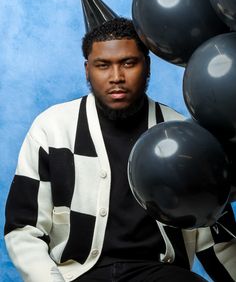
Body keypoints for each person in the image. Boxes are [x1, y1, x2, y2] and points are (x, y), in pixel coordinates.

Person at [4, 17, 236, 282]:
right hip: (78, 275)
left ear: (147, 67)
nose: (116, 77)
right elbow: (23, 230)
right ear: (87, 70)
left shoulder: (183, 134)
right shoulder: (52, 128)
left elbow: (216, 238)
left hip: (160, 274)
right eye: (103, 65)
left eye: (128, 63)